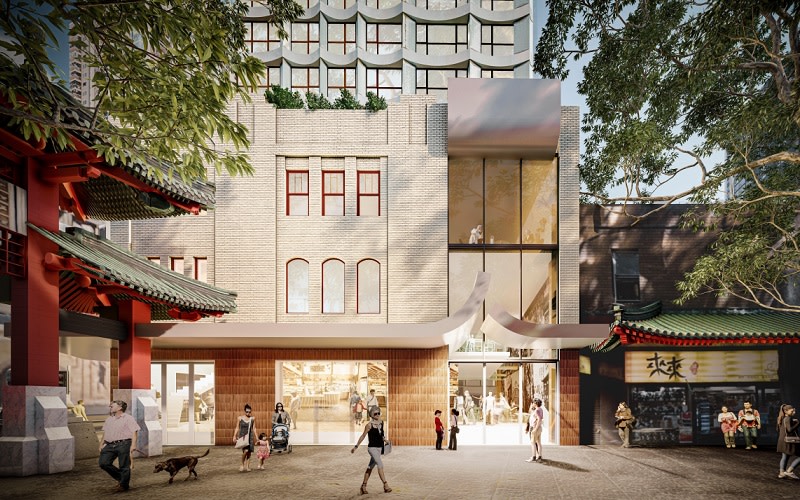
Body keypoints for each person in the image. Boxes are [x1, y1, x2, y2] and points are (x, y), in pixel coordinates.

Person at [98, 400, 140, 493]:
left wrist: (133, 445)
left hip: (124, 444)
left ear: (120, 408)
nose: (110, 406)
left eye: (112, 405)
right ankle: (122, 478)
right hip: (109, 445)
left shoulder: (128, 418)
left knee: (124, 466)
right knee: (103, 463)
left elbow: (134, 431)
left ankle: (124, 485)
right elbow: (105, 433)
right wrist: (101, 444)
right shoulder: (109, 419)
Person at [351, 407, 392, 495]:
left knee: (370, 467)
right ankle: (385, 485)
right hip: (372, 448)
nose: (377, 415)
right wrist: (356, 446)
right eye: (375, 414)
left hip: (379, 448)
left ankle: (363, 486)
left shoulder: (381, 423)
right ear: (371, 415)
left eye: (378, 413)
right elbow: (363, 436)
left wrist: (386, 440)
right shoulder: (369, 425)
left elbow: (381, 435)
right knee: (380, 464)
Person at [777, 404, 800, 479]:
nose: (794, 412)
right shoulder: (788, 418)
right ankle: (789, 471)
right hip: (788, 441)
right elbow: (789, 430)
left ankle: (781, 473)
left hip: (783, 440)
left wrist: (793, 421)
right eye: (792, 411)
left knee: (785, 457)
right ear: (786, 411)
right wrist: (798, 423)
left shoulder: (783, 418)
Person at [233, 403, 256, 472]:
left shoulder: (252, 418)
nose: (248, 413)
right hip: (243, 437)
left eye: (249, 412)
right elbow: (237, 428)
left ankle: (248, 466)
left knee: (249, 452)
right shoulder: (240, 418)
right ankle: (242, 464)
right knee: (245, 451)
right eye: (247, 411)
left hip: (250, 437)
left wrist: (257, 437)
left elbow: (254, 428)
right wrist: (234, 436)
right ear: (244, 411)